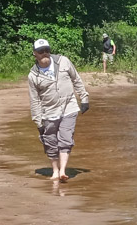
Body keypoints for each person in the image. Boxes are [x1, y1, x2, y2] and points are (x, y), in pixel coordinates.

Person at [27, 38, 90, 181]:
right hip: (48, 113)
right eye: (41, 51)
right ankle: (54, 170)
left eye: (47, 50)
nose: (44, 54)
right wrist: (38, 122)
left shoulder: (63, 61)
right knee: (50, 142)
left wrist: (84, 98)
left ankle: (62, 171)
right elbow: (35, 100)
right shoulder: (33, 76)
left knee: (66, 139)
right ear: (34, 54)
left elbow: (76, 79)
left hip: (69, 107)